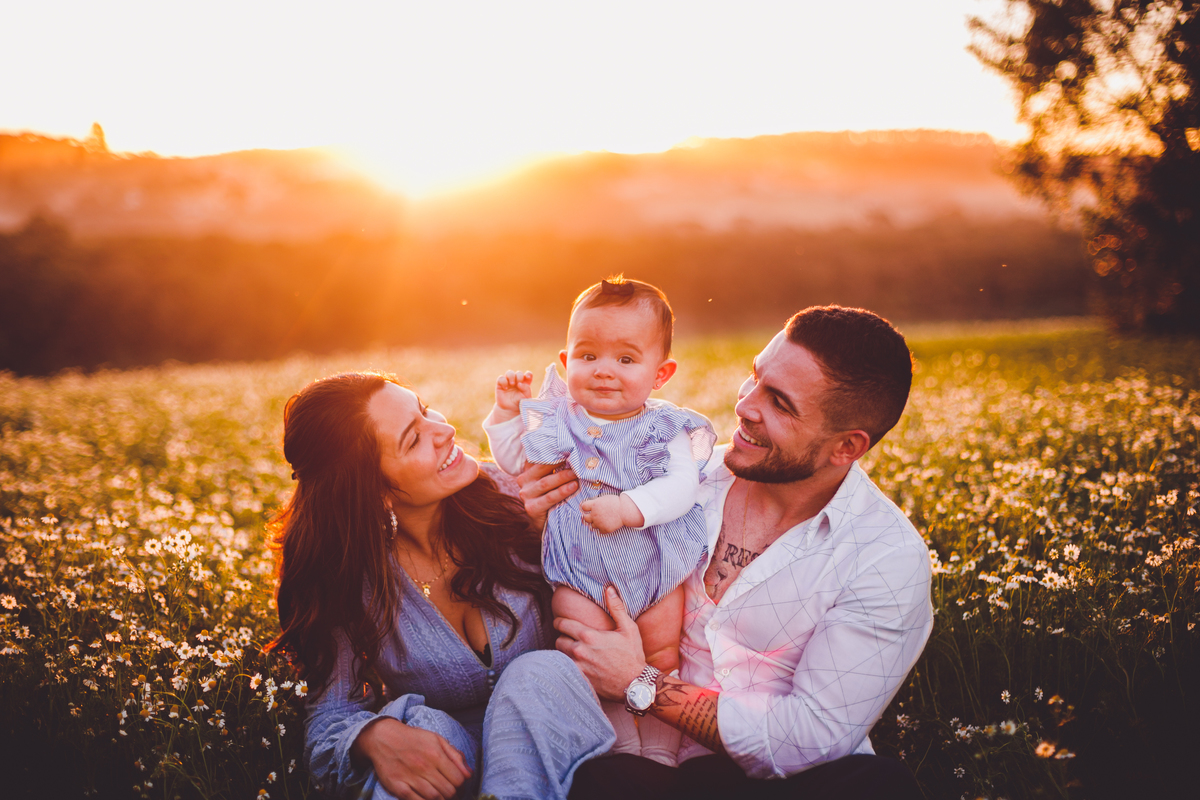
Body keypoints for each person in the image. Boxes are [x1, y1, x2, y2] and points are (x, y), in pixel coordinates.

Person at [522, 305, 934, 799]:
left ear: (846, 447)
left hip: (786, 785)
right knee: (596, 781)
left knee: (880, 787)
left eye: (779, 403)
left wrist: (641, 682)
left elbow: (808, 740)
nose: (745, 405)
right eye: (755, 377)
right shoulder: (676, 480)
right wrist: (534, 523)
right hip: (642, 770)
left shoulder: (885, 557)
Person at [268, 372, 614, 800]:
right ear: (374, 493)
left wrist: (557, 537)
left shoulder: (523, 496)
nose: (445, 430)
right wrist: (372, 737)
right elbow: (328, 717)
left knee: (538, 672)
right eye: (414, 439)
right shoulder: (347, 577)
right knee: (418, 730)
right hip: (451, 765)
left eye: (425, 409)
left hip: (555, 738)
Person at [484, 277, 716, 764]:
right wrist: (506, 414)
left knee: (660, 657)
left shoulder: (663, 427)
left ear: (660, 373)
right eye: (588, 356)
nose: (604, 371)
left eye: (626, 360)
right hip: (579, 571)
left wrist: (629, 508)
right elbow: (514, 459)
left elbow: (681, 487)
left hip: (653, 567)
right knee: (588, 657)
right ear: (567, 362)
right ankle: (620, 754)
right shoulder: (558, 417)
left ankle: (659, 754)